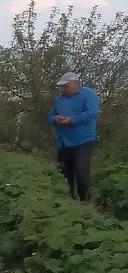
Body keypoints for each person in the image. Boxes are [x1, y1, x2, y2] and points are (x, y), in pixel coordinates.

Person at [48, 71, 100, 201]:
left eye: (65, 86)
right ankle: (68, 200)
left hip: (82, 140)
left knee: (81, 172)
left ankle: (85, 201)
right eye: (61, 86)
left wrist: (72, 120)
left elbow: (92, 112)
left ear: (75, 84)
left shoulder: (88, 94)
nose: (62, 88)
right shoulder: (59, 99)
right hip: (64, 142)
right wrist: (56, 118)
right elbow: (50, 116)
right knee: (65, 173)